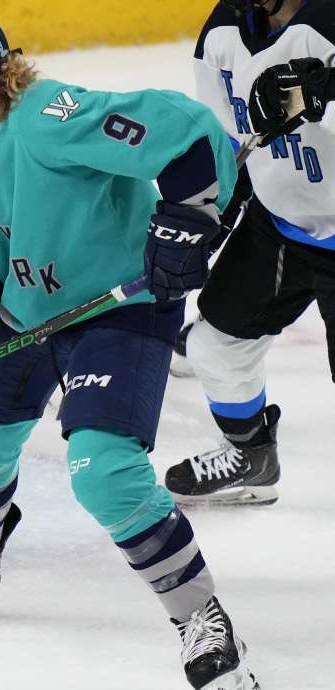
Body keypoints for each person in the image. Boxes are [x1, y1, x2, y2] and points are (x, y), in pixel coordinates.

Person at [0, 7, 259, 689]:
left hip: (122, 309)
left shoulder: (49, 117)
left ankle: (200, 615)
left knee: (104, 470)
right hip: (24, 313)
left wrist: (186, 220)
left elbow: (187, 131)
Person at [164, 0, 335, 506]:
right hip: (280, 226)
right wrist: (211, 214)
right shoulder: (221, 31)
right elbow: (230, 142)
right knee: (215, 346)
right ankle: (249, 455)